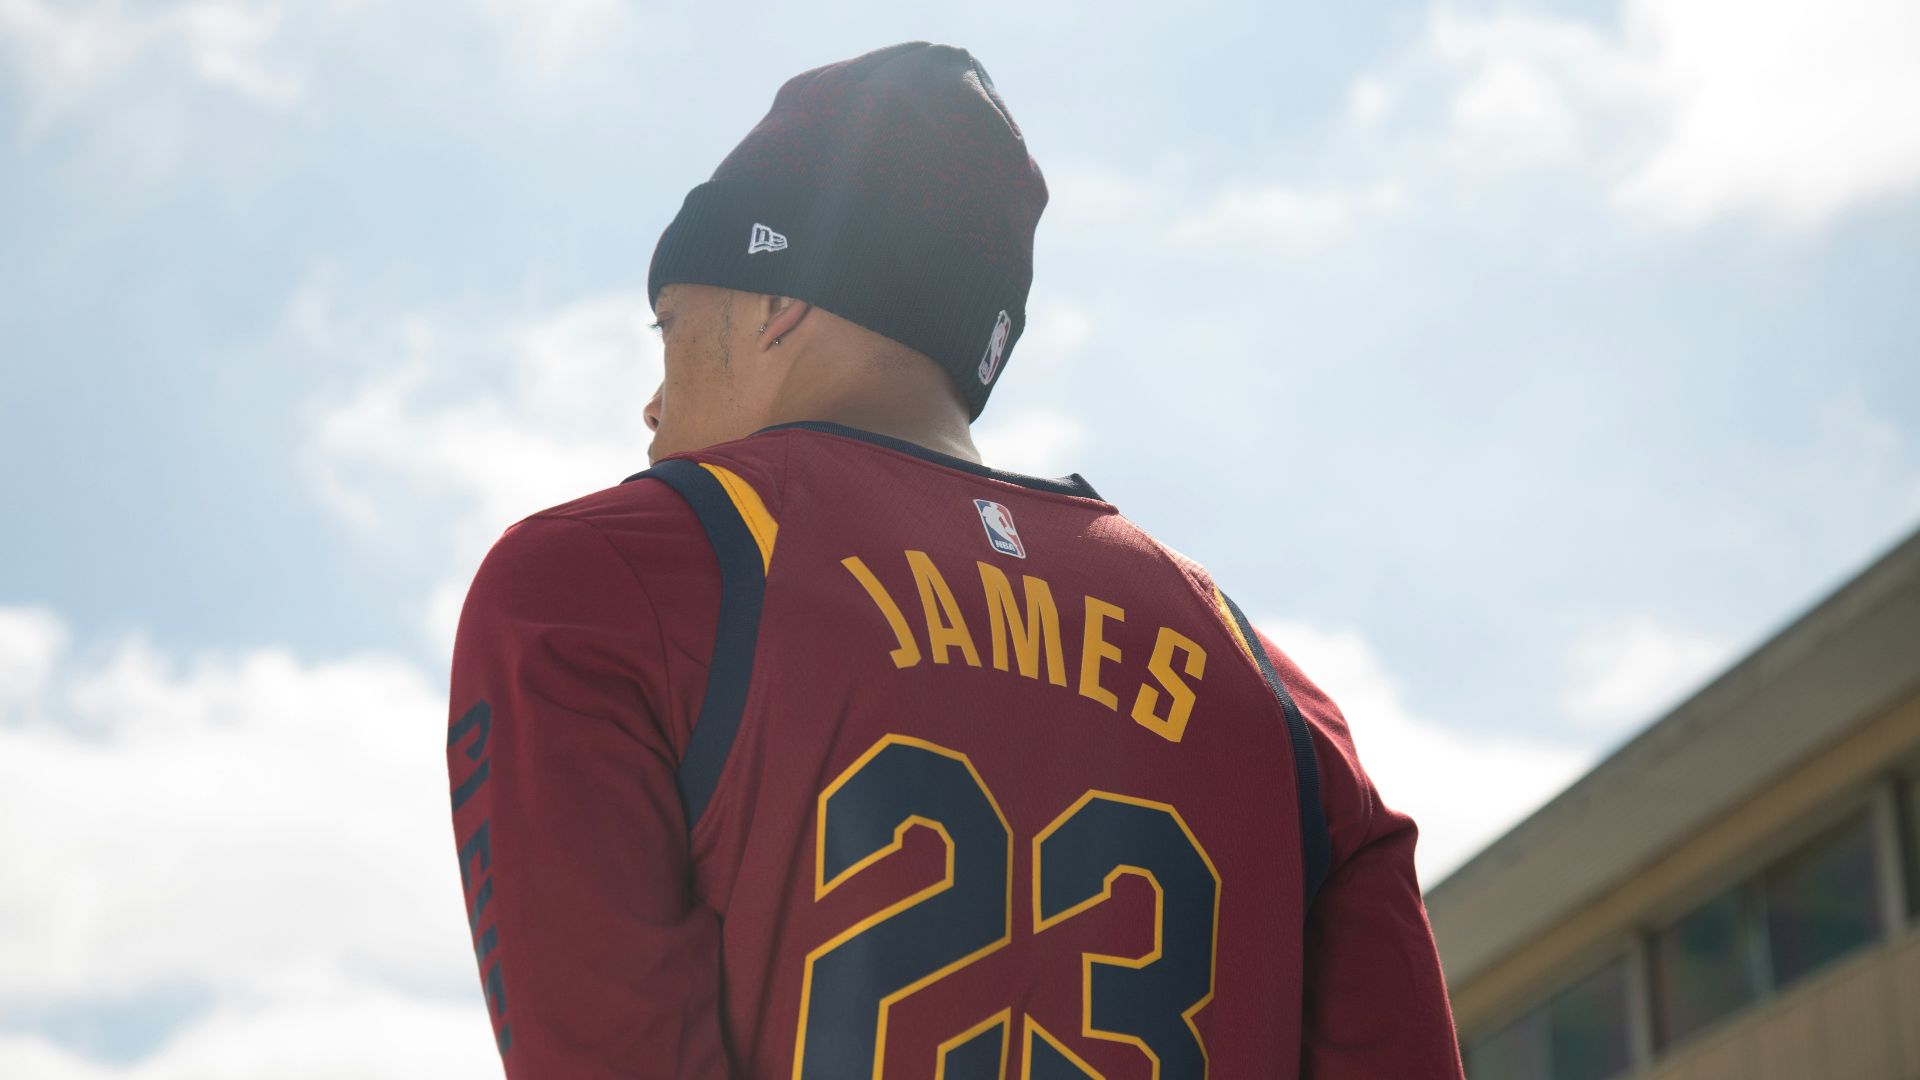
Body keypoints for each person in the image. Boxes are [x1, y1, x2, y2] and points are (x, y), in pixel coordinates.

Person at [445, 40, 1466, 1079]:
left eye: (667, 327)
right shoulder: (1282, 702)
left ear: (779, 297)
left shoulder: (595, 588)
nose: (653, 409)